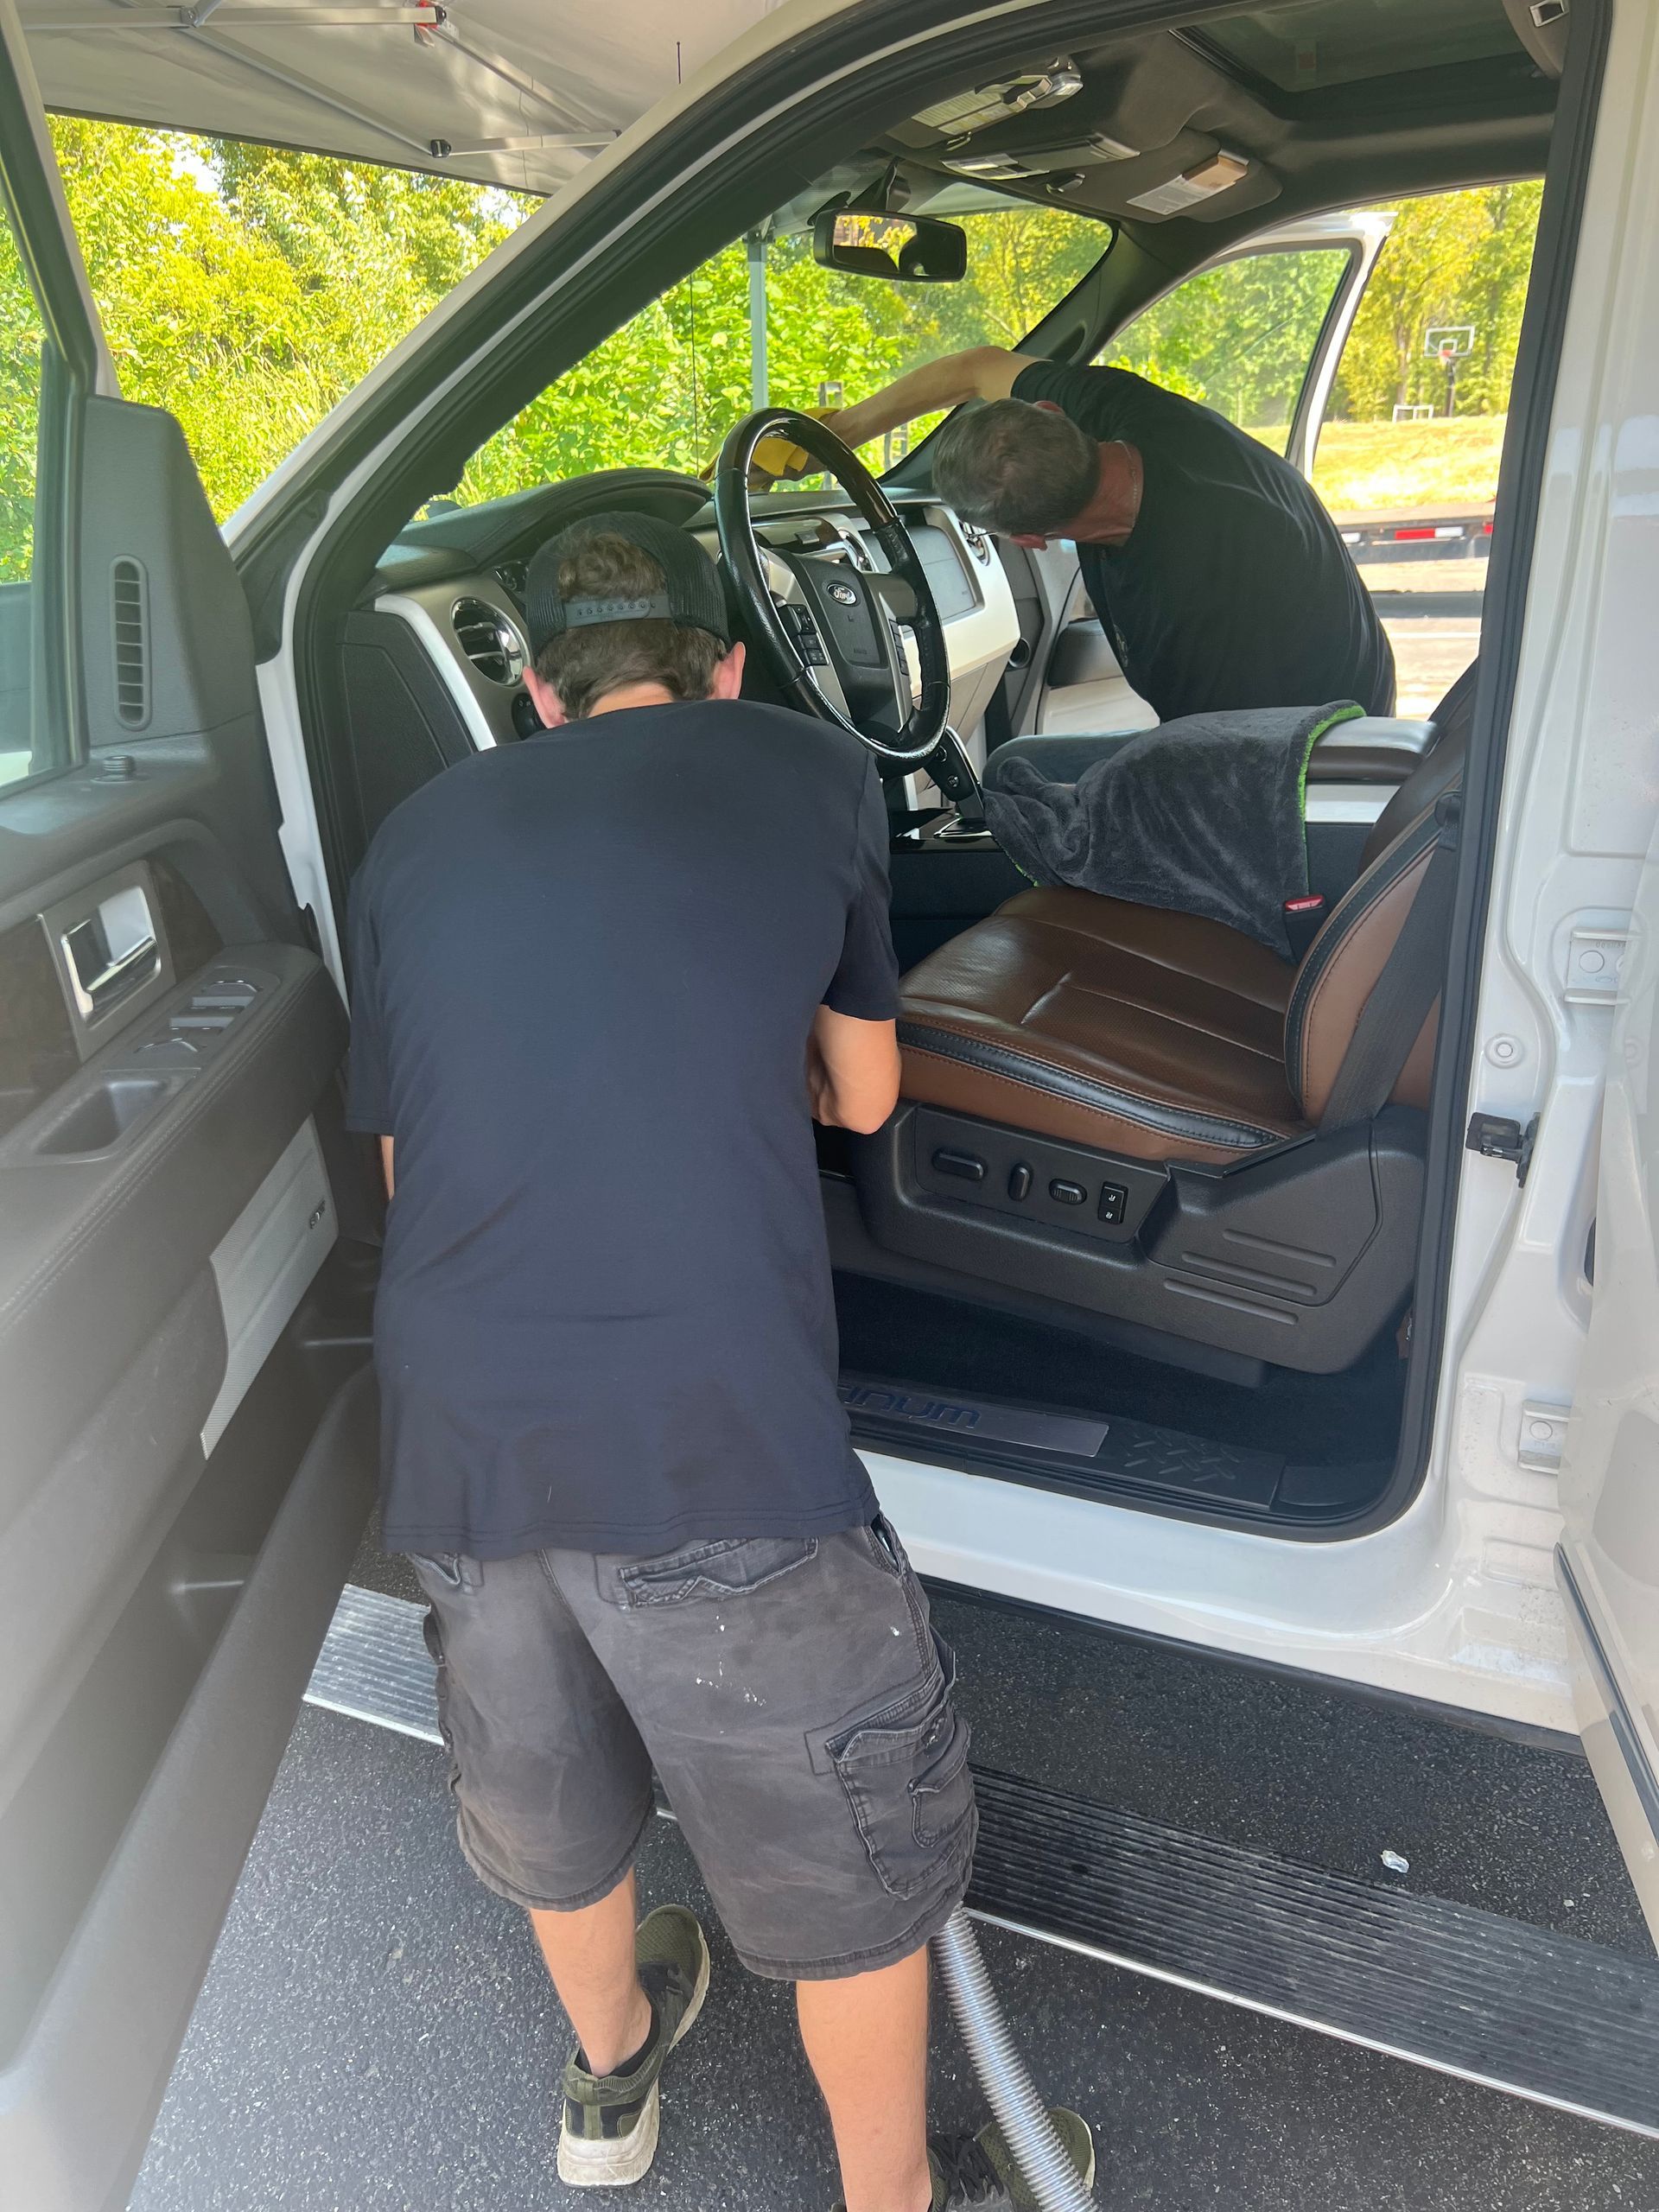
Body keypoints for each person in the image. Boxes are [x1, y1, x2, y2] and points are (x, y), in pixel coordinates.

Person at [343, 511, 1093, 2212]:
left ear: (533, 689)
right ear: (728, 662)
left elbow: (406, 1170)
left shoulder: (414, 834)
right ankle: (895, 2196)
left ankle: (608, 2086)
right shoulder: (809, 770)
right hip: (709, 1435)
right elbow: (871, 1098)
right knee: (852, 1873)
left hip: (461, 1430)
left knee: (551, 1796)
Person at [825, 345, 1395, 776]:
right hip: (1324, 691)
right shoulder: (1115, 408)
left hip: (1322, 751)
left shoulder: (1189, 599)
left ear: (1027, 540)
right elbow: (979, 367)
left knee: (1014, 776)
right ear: (1052, 410)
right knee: (1018, 770)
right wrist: (840, 432)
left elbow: (1216, 762)